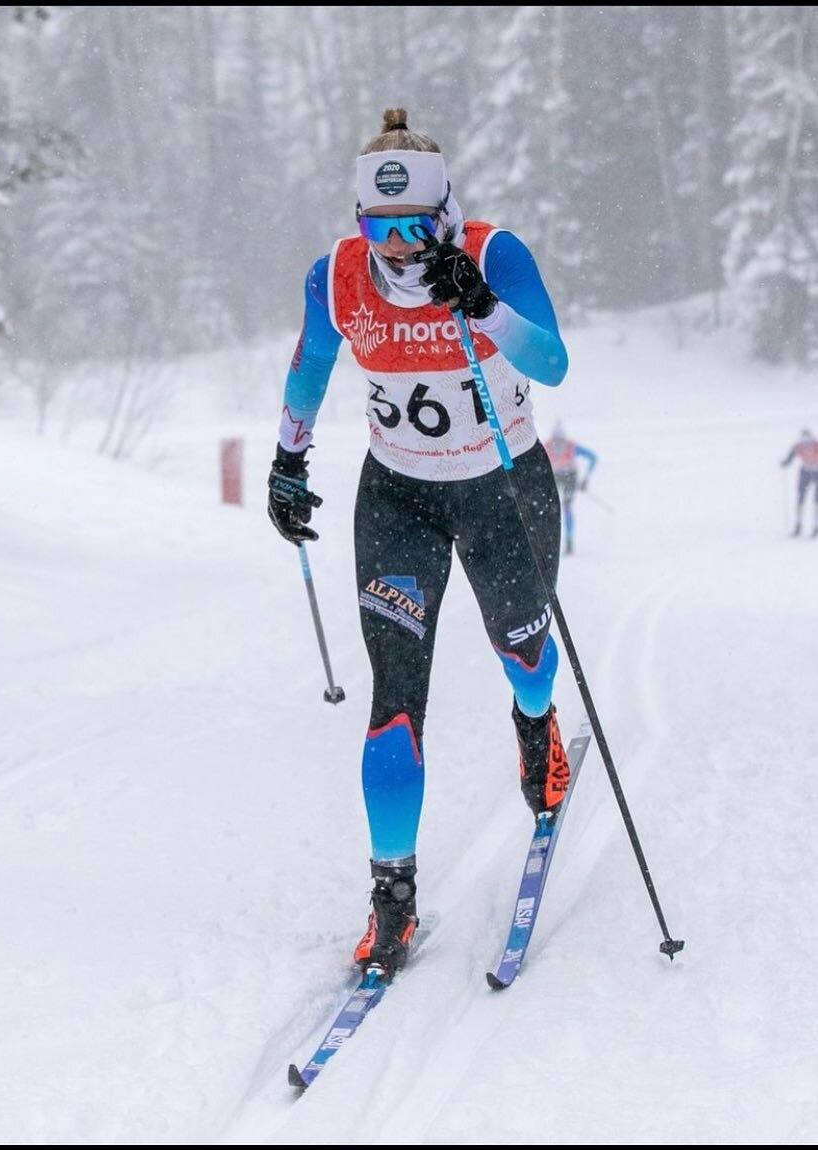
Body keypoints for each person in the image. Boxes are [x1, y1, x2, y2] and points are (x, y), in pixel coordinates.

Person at [266, 108, 570, 981]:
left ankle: (536, 723)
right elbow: (310, 365)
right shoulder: (338, 276)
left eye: (415, 229)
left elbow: (551, 364)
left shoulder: (494, 254)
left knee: (524, 651)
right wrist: (288, 459)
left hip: (501, 488)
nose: (399, 251)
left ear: (445, 212)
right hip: (397, 496)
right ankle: (391, 895)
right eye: (379, 231)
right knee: (396, 694)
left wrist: (486, 309)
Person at [543, 421, 597, 555]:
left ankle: (568, 540)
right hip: (555, 476)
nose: (558, 444)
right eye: (556, 440)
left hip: (570, 477)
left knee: (566, 507)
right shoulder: (547, 447)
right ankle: (551, 540)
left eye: (560, 440)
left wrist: (586, 478)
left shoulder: (570, 446)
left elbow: (593, 457)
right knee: (549, 507)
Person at [780, 429, 818, 537]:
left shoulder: (816, 445)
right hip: (805, 473)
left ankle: (816, 525)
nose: (807, 445)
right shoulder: (798, 446)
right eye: (804, 442)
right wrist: (785, 463)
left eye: (808, 442)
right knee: (800, 499)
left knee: (816, 501)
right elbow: (790, 457)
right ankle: (798, 524)